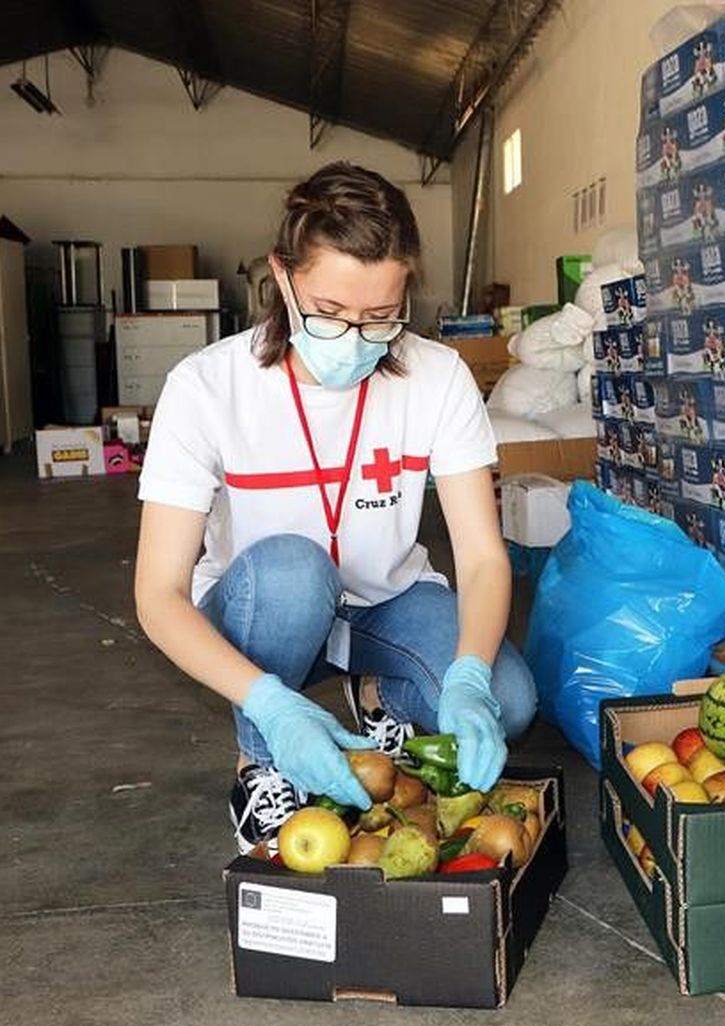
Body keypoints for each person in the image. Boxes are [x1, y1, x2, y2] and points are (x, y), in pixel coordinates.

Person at [133, 162, 535, 854]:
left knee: (513, 701)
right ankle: (262, 760)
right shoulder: (207, 387)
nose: (354, 338)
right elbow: (157, 593)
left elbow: (481, 557)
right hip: (269, 612)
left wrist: (468, 676)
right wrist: (269, 705)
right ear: (282, 278)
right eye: (328, 313)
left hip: (386, 604)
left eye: (380, 317)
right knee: (293, 570)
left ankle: (377, 698)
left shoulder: (437, 379)